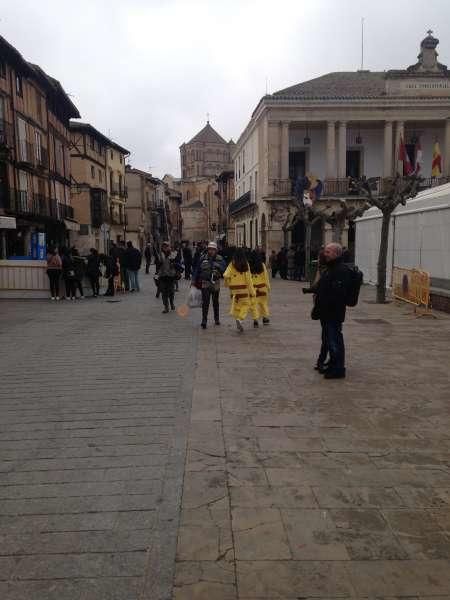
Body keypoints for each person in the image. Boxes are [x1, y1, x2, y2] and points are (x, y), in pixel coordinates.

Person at [303, 243, 351, 379]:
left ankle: (338, 368)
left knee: (334, 339)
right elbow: (323, 286)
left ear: (336, 253)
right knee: (329, 339)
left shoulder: (340, 270)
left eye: (328, 252)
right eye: (325, 251)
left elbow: (337, 293)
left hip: (333, 312)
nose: (325, 253)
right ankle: (332, 364)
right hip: (326, 312)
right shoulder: (331, 268)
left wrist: (325, 300)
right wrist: (310, 290)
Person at [193, 241, 226, 329]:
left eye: (212, 249)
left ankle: (216, 319)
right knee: (205, 302)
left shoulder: (220, 259)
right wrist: (193, 280)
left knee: (215, 302)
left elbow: (224, 269)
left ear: (216, 250)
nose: (211, 251)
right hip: (205, 282)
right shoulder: (203, 258)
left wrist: (218, 267)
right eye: (209, 249)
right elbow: (197, 269)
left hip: (215, 283)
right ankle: (204, 320)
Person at [223, 248, 256, 333]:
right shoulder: (246, 264)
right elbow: (249, 280)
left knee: (237, 305)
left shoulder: (232, 264)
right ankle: (240, 319)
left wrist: (227, 284)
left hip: (234, 289)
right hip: (243, 289)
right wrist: (252, 292)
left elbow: (226, 275)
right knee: (247, 304)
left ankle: (238, 318)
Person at [156, 241, 183, 313]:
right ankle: (166, 307)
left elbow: (178, 263)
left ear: (169, 247)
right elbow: (157, 265)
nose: (165, 248)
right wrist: (157, 273)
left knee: (171, 292)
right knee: (164, 293)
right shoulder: (160, 254)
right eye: (164, 246)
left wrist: (174, 264)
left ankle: (171, 303)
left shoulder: (173, 254)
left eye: (166, 246)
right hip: (162, 276)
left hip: (171, 276)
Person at [249, 250, 271, 327]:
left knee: (254, 305)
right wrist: (268, 287)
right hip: (262, 288)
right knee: (263, 304)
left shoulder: (249, 266)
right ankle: (265, 318)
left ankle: (255, 320)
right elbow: (266, 277)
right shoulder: (262, 265)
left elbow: (248, 278)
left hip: (253, 288)